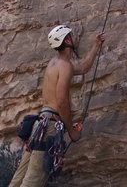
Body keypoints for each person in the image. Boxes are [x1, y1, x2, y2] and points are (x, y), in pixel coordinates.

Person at [9, 25, 105, 186]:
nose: (74, 37)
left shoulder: (55, 63)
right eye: (71, 35)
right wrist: (72, 131)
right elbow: (61, 102)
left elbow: (83, 67)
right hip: (49, 128)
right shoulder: (65, 66)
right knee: (32, 182)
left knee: (18, 179)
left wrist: (96, 45)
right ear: (67, 40)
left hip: (39, 125)